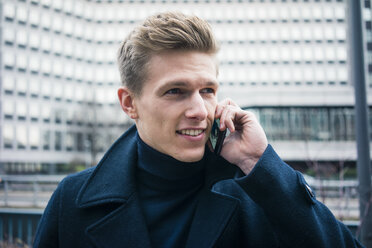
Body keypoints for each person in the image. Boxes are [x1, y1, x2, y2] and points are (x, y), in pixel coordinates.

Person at [34, 12, 363, 248]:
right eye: (175, 91)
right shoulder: (73, 200)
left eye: (208, 90)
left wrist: (257, 162)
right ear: (129, 103)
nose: (199, 111)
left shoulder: (257, 189)